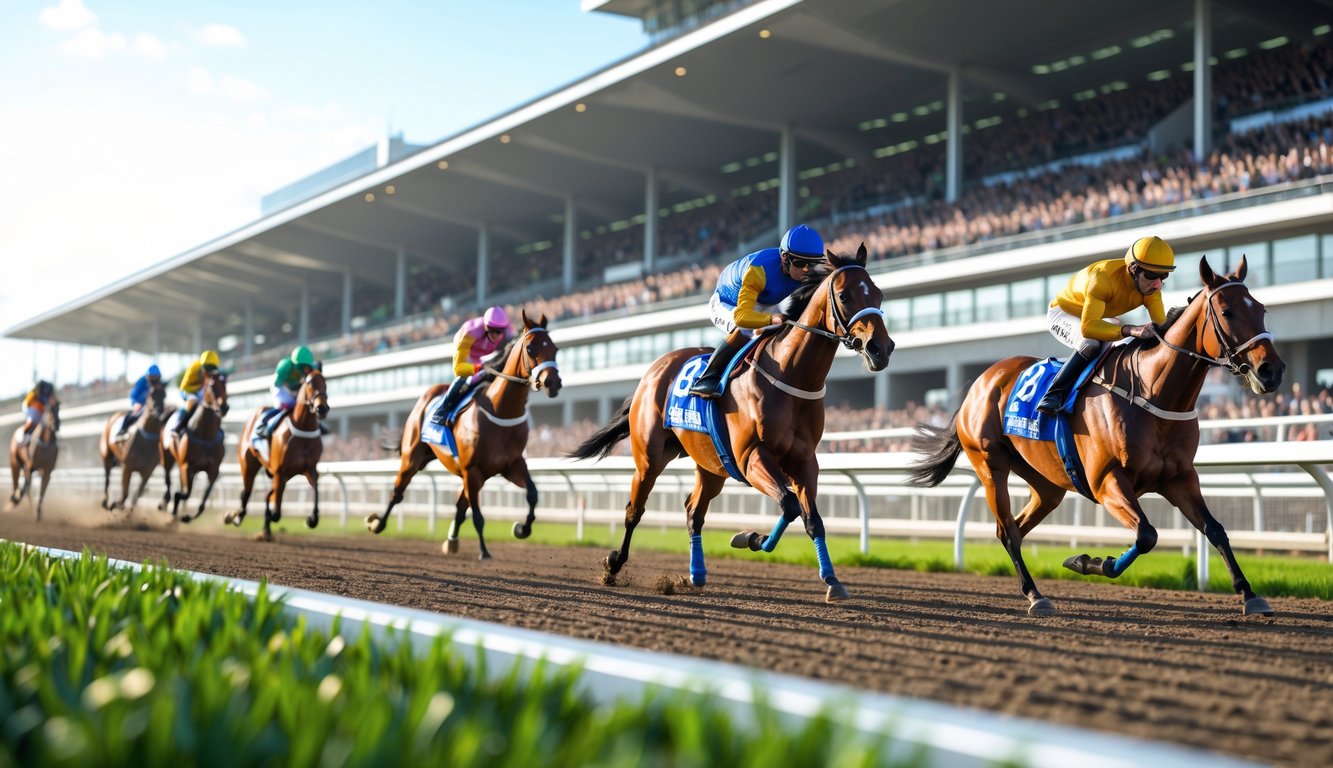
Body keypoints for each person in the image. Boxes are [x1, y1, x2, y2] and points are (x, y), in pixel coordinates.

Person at [1036, 235, 1174, 415]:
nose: (1157, 284)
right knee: (1090, 344)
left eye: (1163, 276)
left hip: (1097, 316)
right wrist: (1131, 329)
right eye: (1151, 275)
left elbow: (1162, 327)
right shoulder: (1103, 278)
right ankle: (1054, 394)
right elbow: (1088, 327)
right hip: (1063, 313)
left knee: (1122, 345)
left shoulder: (1151, 290)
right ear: (1133, 269)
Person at [688, 224, 828, 398]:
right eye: (801, 263)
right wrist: (771, 320)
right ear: (784, 258)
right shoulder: (758, 270)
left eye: (813, 264)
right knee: (744, 330)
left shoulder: (807, 271)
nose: (807, 270)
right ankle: (708, 377)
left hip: (764, 300)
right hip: (728, 302)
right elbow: (741, 317)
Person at [430, 306, 513, 425]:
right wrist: (478, 368)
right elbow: (458, 369)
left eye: (499, 332)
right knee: (465, 377)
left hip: (485, 355)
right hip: (468, 353)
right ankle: (442, 411)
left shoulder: (507, 333)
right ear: (486, 326)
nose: (496, 335)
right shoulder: (470, 332)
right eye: (492, 330)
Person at [253, 345, 319, 446]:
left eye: (306, 366)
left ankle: (318, 426)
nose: (304, 369)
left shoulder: (310, 368)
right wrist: (292, 394)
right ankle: (264, 425)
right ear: (294, 363)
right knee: (286, 405)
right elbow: (277, 383)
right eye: (301, 366)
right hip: (280, 387)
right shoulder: (285, 365)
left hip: (295, 389)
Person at [172, 350, 221, 434]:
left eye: (212, 370)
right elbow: (185, 387)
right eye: (207, 369)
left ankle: (217, 429)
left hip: (201, 391)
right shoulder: (194, 367)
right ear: (202, 366)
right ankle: (179, 424)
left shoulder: (213, 373)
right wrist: (200, 387)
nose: (209, 373)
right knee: (193, 400)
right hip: (187, 391)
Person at [114, 364, 162, 441]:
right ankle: (122, 430)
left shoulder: (159, 384)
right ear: (149, 376)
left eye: (157, 377)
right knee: (131, 416)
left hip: (154, 406)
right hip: (141, 405)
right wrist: (136, 403)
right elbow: (133, 395)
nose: (155, 380)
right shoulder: (142, 381)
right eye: (153, 377)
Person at [17, 380, 57, 461]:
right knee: (32, 422)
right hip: (30, 408)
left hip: (40, 410)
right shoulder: (34, 393)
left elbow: (52, 402)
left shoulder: (49, 394)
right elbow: (28, 404)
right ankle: (23, 438)